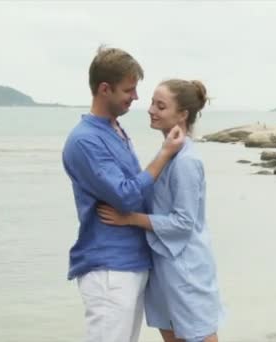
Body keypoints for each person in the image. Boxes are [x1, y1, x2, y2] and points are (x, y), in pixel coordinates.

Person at [62, 46, 184, 342]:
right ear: (105, 89)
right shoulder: (85, 140)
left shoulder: (115, 129)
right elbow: (127, 196)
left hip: (131, 263)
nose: (136, 97)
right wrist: (165, 154)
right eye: (129, 90)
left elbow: (136, 194)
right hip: (108, 269)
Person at [97, 79, 224, 342]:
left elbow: (183, 223)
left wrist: (129, 218)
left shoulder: (186, 161)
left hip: (186, 269)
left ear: (182, 115)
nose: (151, 109)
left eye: (161, 106)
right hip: (163, 265)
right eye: (153, 103)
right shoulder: (169, 153)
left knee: (199, 335)